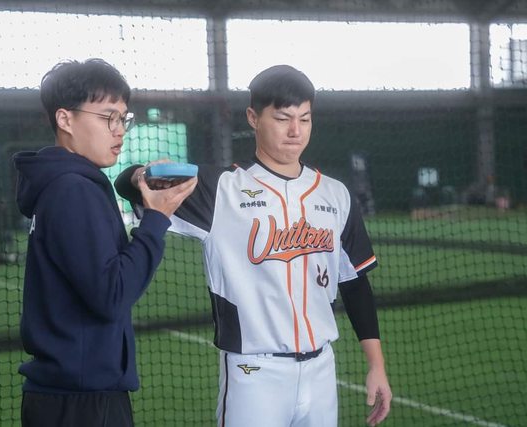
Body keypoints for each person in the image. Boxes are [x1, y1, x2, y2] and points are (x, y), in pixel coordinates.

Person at [115, 64, 391, 426]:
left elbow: (354, 284)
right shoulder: (221, 188)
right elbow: (127, 185)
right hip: (253, 374)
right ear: (253, 118)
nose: (295, 131)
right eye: (282, 118)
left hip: (322, 370)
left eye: (305, 119)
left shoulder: (335, 194)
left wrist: (376, 365)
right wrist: (143, 174)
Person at [13, 58, 197, 427]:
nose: (119, 131)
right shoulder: (73, 189)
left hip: (71, 395)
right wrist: (156, 219)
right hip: (81, 404)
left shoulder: (70, 184)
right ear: (65, 120)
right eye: (107, 118)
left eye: (123, 119)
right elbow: (111, 294)